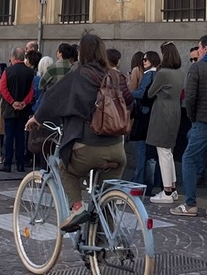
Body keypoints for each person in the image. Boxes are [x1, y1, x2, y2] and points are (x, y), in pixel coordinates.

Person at [28, 33, 131, 232]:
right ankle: (103, 245)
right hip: (118, 148)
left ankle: (76, 208)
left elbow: (53, 96)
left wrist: (36, 118)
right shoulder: (114, 75)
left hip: (89, 147)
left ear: (81, 52)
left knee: (64, 168)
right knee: (104, 201)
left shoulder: (79, 72)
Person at [171, 34, 207, 219]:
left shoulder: (197, 68)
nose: (197, 51)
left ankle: (190, 204)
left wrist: (193, 118)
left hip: (203, 121)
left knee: (189, 159)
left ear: (205, 48)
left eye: (199, 47)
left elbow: (190, 97)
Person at [147, 41, 184, 204]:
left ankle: (167, 191)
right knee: (168, 151)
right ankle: (172, 188)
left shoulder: (163, 73)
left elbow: (150, 92)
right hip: (175, 111)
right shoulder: (180, 72)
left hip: (162, 113)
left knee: (163, 152)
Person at [0, 47, 34, 172]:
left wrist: (12, 102)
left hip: (9, 109)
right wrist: (24, 102)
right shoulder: (30, 72)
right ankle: (20, 163)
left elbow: (1, 88)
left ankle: (7, 163)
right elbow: (32, 91)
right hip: (24, 109)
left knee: (9, 137)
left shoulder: (7, 70)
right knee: (20, 137)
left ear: (13, 57)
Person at [129, 50, 159, 187]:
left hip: (144, 114)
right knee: (152, 153)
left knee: (142, 149)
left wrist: (127, 94)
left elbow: (141, 93)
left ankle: (139, 180)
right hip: (153, 114)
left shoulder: (148, 75)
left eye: (146, 59)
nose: (144, 61)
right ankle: (151, 181)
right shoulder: (158, 74)